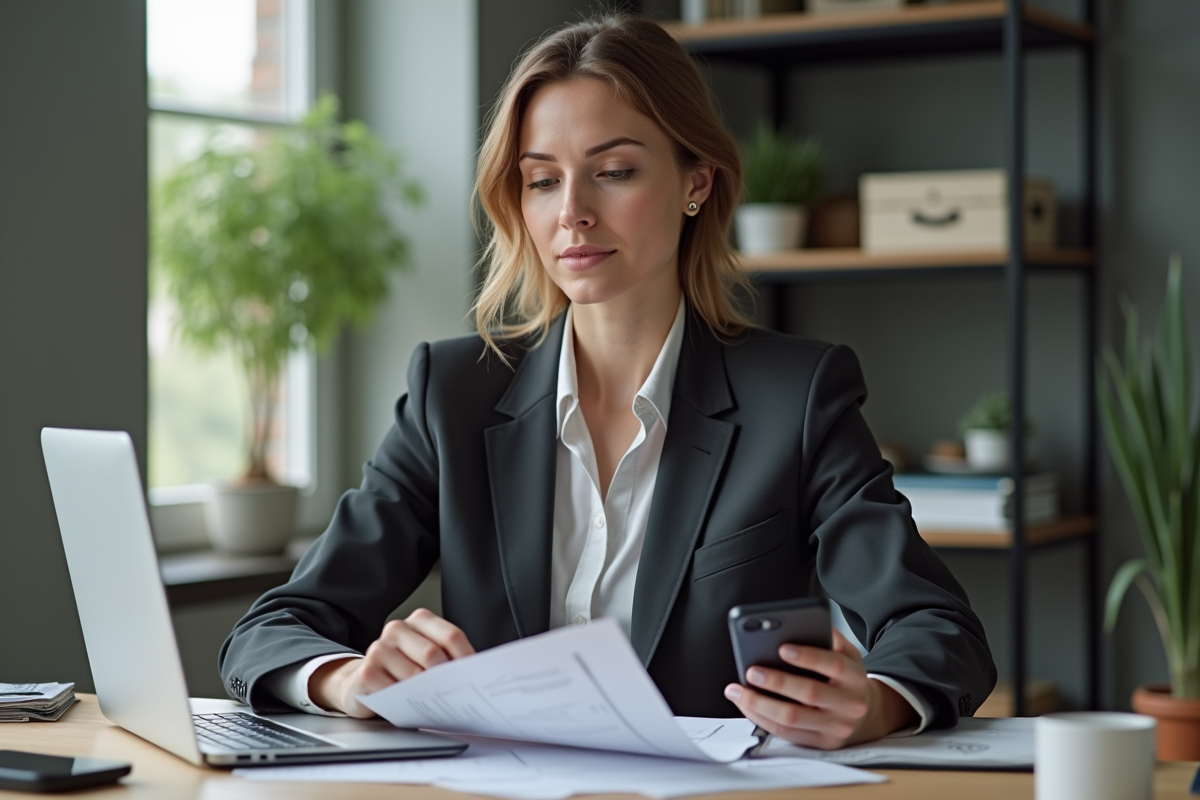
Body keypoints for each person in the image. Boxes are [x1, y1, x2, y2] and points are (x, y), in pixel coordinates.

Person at [219, 13, 995, 749]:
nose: (573, 214)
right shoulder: (451, 393)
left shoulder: (797, 396)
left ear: (697, 181)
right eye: (541, 181)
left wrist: (877, 704)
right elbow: (272, 627)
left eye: (614, 171)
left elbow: (939, 630)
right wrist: (347, 679)